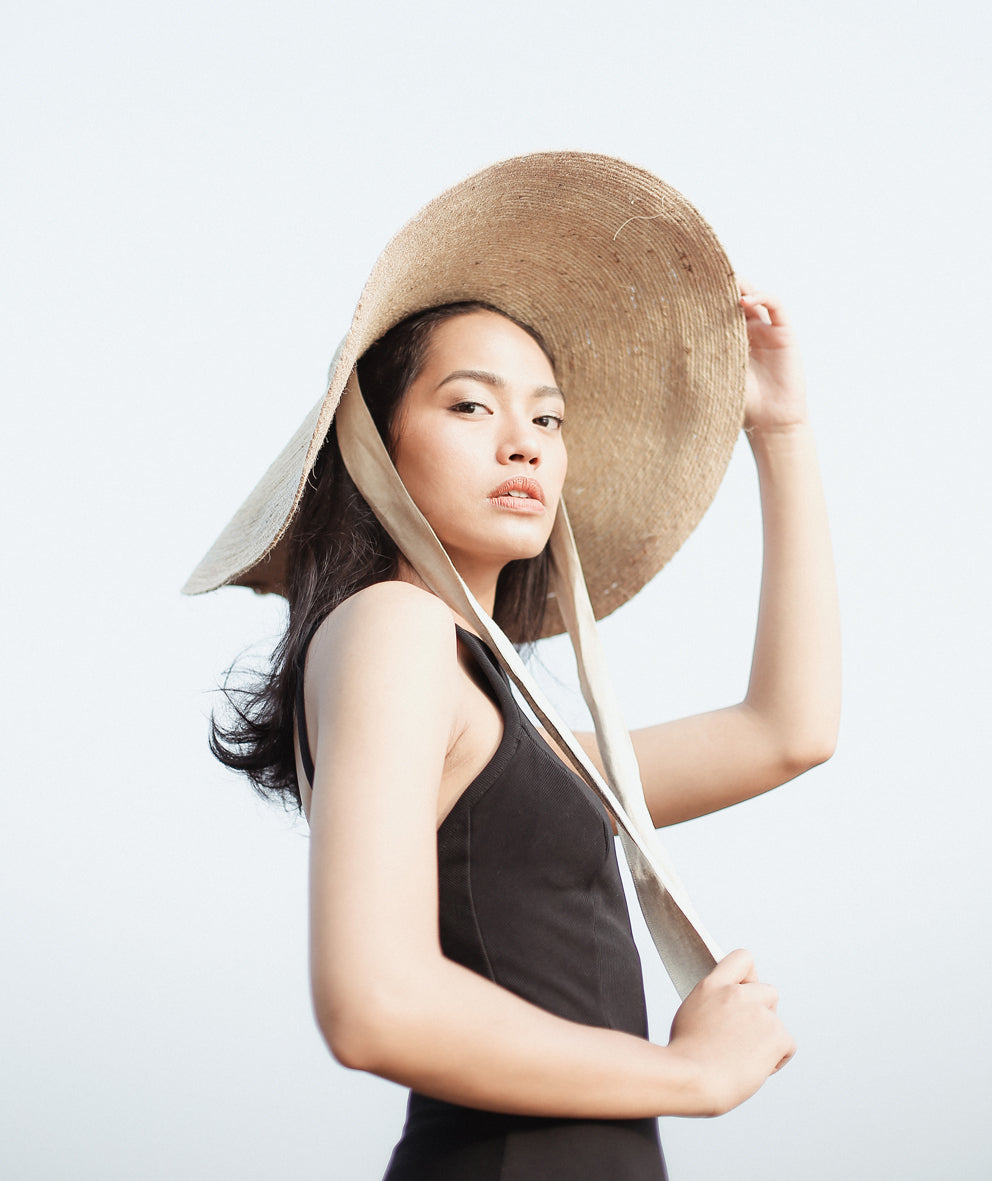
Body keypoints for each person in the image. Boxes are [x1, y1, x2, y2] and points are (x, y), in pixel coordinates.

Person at [186, 154, 840, 1179]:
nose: (523, 442)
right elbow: (372, 1004)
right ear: (374, 444)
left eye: (546, 416)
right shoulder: (395, 626)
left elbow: (787, 731)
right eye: (467, 406)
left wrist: (781, 430)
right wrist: (690, 1075)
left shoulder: (500, 719)